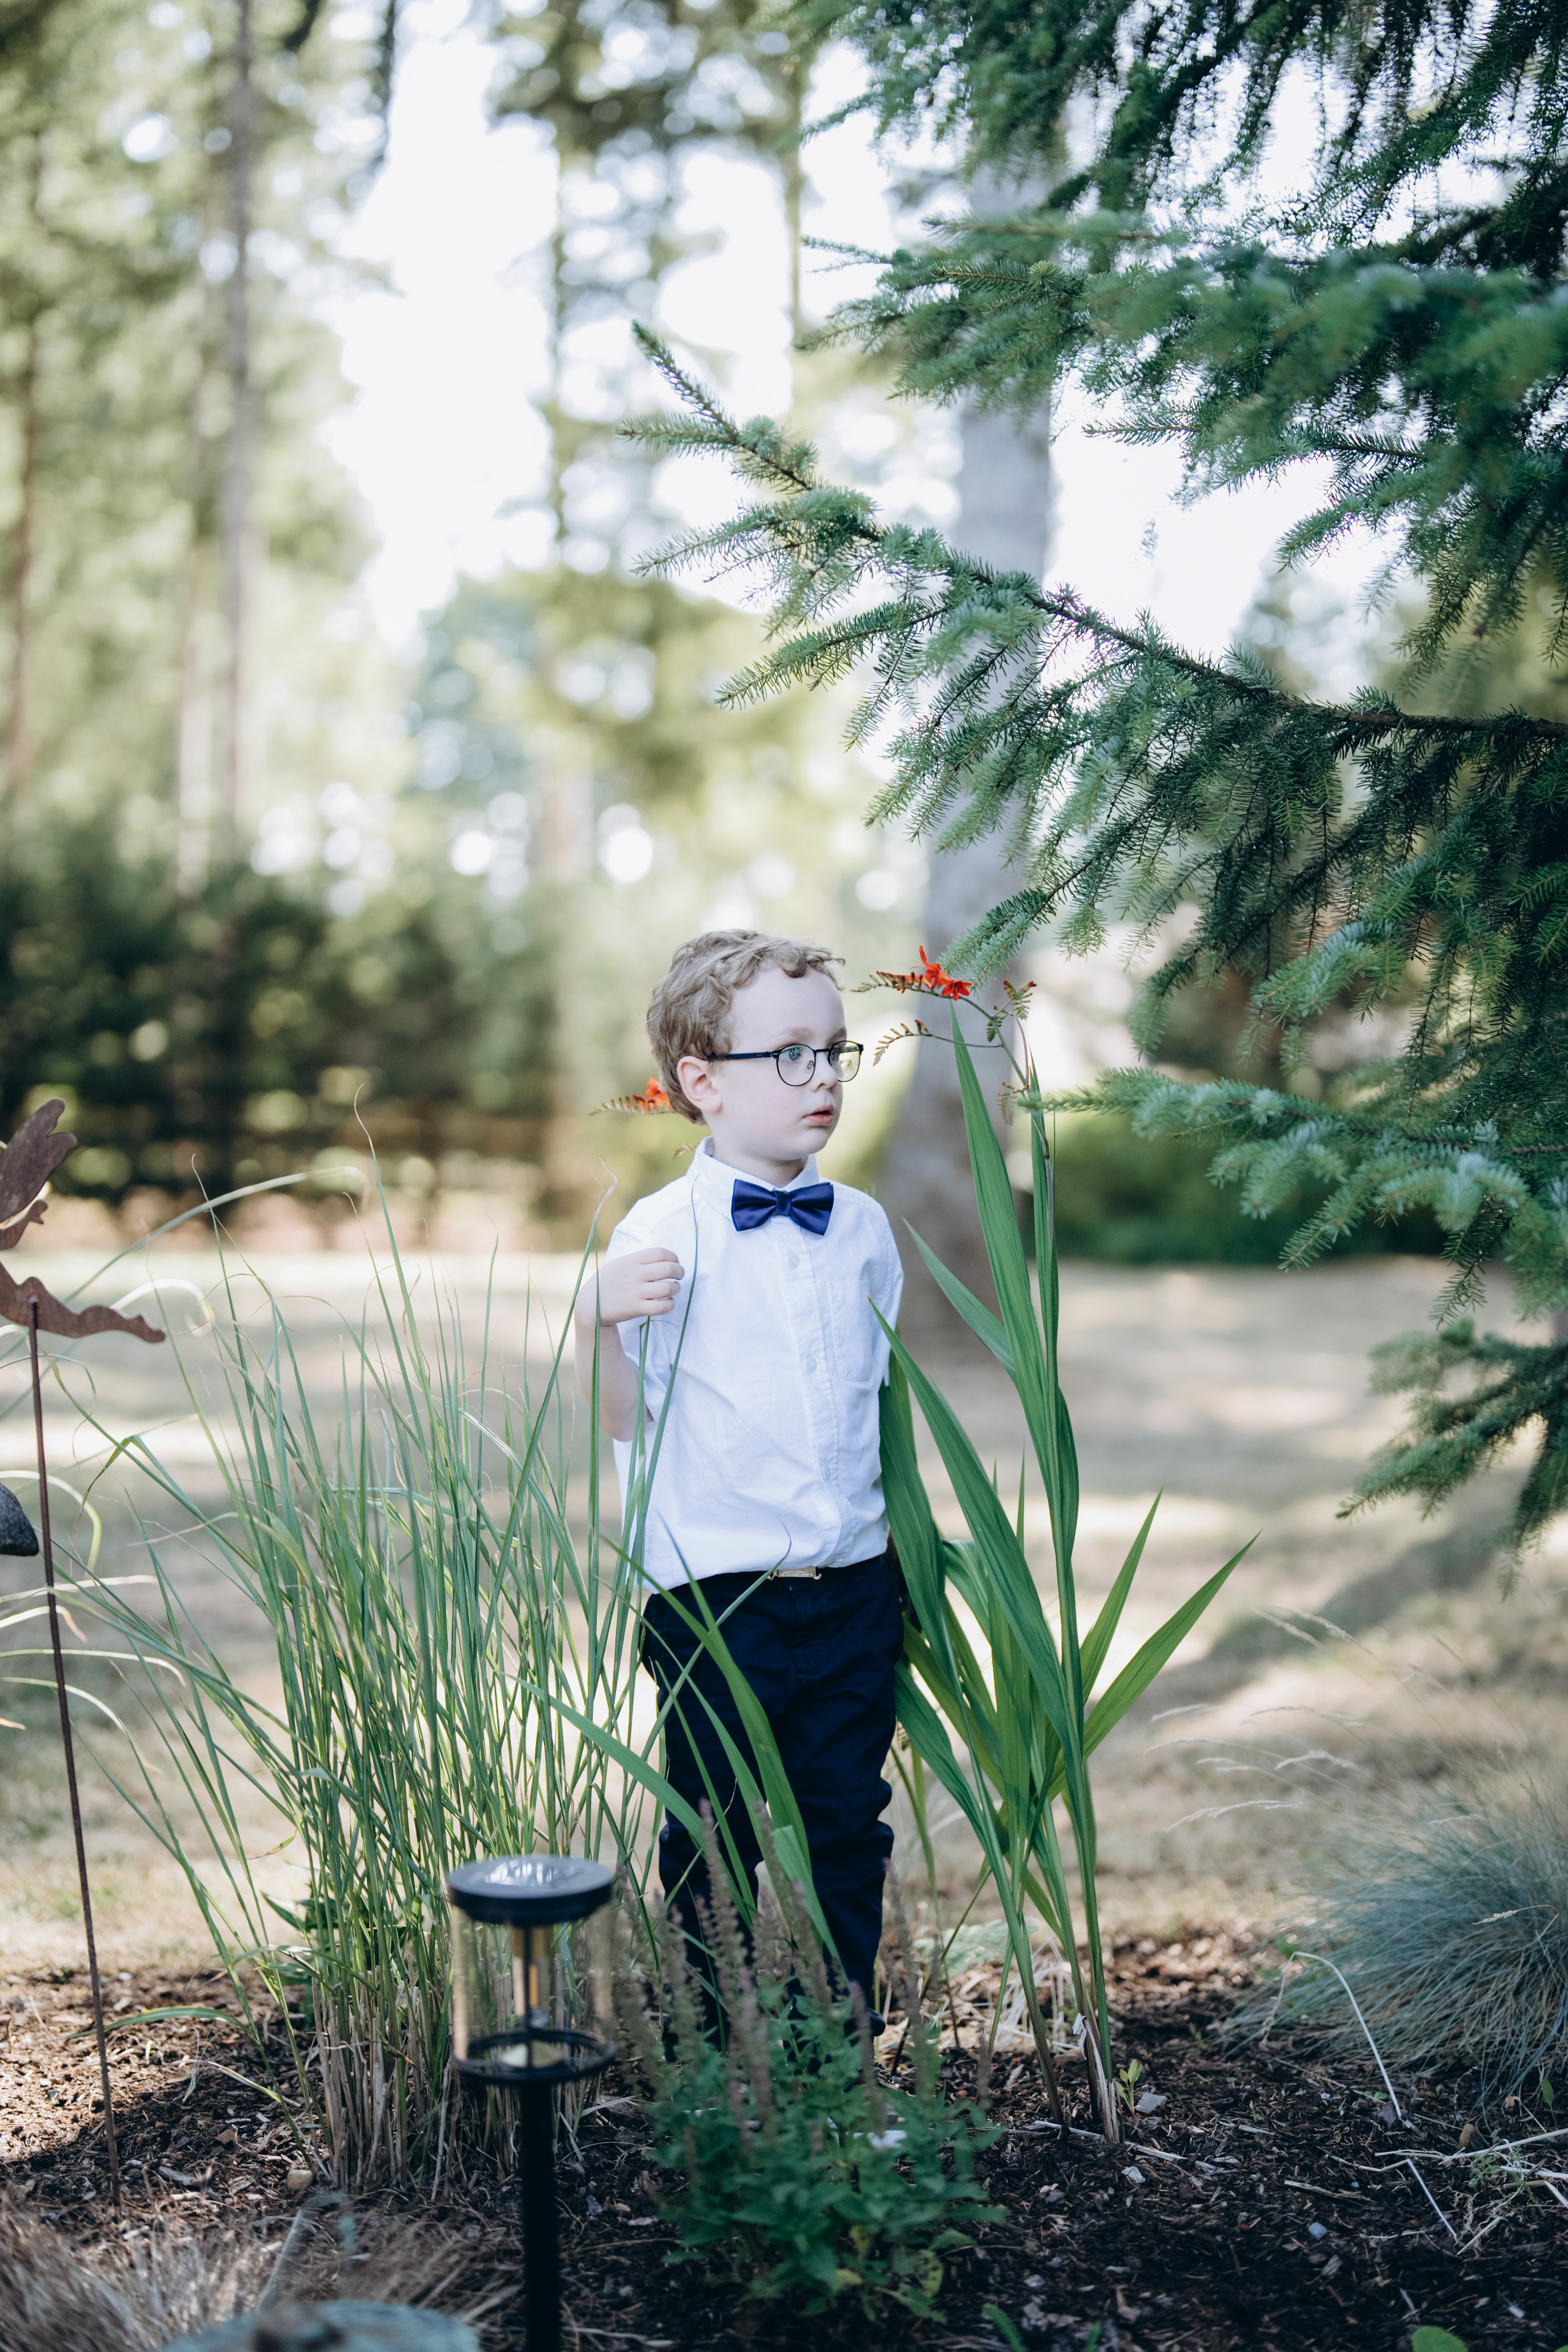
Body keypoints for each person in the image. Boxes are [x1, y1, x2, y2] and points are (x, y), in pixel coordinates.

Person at [574, 929, 904, 2010]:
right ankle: (716, 2051)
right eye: (791, 1055)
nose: (825, 1079)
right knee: (712, 1832)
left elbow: (874, 1408)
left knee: (846, 1825)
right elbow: (625, 1422)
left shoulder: (864, 1232)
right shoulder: (659, 1235)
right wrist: (594, 1322)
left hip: (853, 1588)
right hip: (717, 1599)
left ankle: (835, 2044)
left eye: (835, 1052)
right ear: (704, 1082)